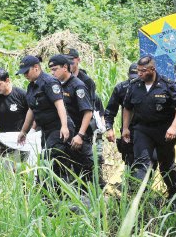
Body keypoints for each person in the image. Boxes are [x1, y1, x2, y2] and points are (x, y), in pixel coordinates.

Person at [122, 56, 176, 196]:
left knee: (166, 165)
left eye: (143, 71)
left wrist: (174, 126)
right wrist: (125, 128)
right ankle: (138, 197)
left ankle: (173, 192)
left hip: (164, 131)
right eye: (138, 71)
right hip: (142, 130)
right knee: (142, 163)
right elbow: (127, 107)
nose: (140, 74)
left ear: (153, 69)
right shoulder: (134, 85)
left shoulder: (167, 85)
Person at [16, 55, 73, 178]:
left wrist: (64, 126)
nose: (25, 75)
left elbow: (60, 105)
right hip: (46, 130)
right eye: (23, 73)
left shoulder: (49, 82)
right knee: (45, 160)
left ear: (36, 68)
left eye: (27, 71)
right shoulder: (31, 86)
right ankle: (49, 191)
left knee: (54, 158)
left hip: (58, 128)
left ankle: (63, 193)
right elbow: (31, 109)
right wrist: (24, 131)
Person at [48, 54, 94, 183]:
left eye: (55, 69)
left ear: (65, 67)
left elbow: (88, 112)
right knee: (63, 173)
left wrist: (80, 135)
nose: (52, 73)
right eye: (51, 70)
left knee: (86, 174)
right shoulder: (55, 85)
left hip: (79, 137)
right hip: (64, 136)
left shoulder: (77, 85)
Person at [104, 62, 139, 167]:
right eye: (132, 78)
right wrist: (109, 128)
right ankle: (130, 182)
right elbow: (110, 111)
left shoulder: (149, 88)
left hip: (145, 129)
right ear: (128, 75)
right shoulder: (121, 88)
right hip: (128, 130)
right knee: (129, 161)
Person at [0, 68, 28, 132]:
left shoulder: (22, 95)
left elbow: (33, 114)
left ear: (7, 81)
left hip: (22, 136)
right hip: (3, 137)